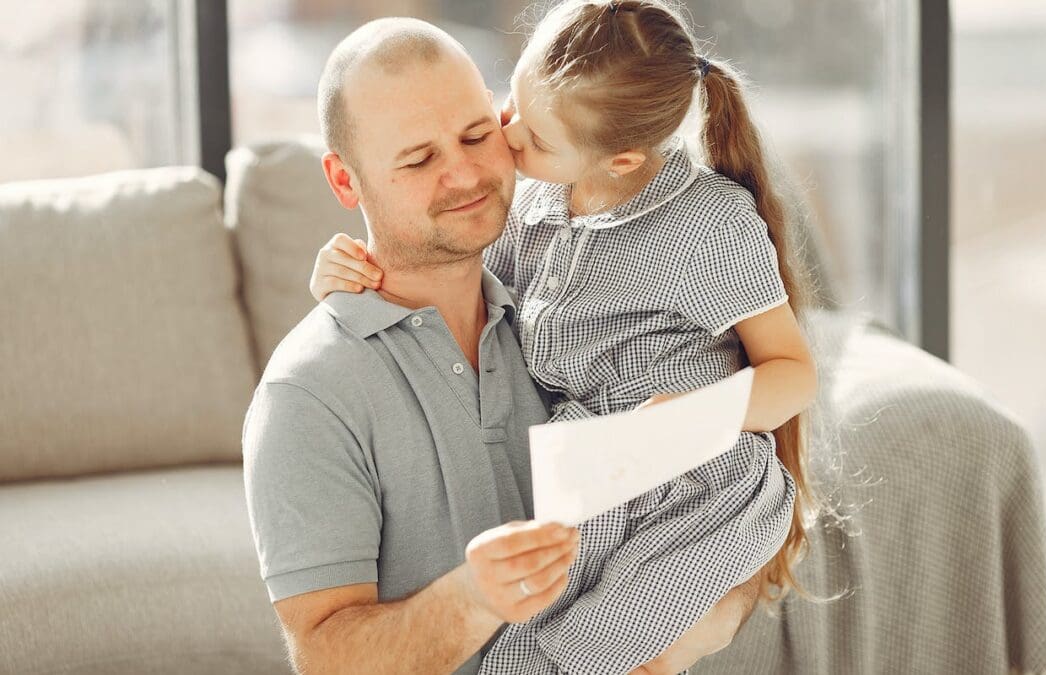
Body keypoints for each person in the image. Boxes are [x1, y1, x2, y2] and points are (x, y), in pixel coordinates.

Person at [306, 1, 819, 673]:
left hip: (700, 475)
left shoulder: (709, 228)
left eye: (537, 139)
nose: (508, 140)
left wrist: (686, 422)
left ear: (623, 157)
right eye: (510, 106)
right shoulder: (533, 205)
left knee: (602, 645)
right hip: (593, 461)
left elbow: (794, 371)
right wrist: (342, 277)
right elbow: (453, 285)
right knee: (529, 633)